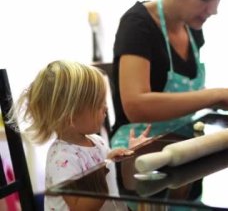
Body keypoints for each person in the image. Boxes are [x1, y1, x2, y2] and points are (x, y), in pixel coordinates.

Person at [111, 0, 228, 148]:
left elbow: (186, 93)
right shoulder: (137, 24)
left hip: (183, 144)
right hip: (137, 149)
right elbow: (136, 107)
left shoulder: (191, 26)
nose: (213, 10)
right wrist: (218, 94)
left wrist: (226, 100)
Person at [9, 60, 150, 210]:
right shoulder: (62, 159)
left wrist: (130, 157)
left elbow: (119, 181)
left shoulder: (97, 142)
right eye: (98, 104)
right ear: (71, 116)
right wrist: (106, 166)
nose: (106, 108)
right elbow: (80, 207)